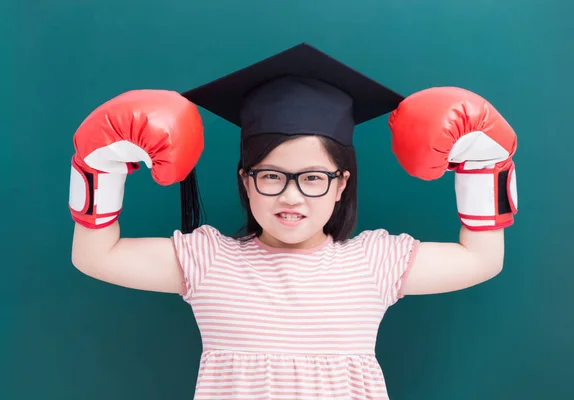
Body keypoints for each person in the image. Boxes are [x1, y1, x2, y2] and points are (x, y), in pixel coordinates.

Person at [69, 43, 518, 400]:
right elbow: (96, 256)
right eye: (271, 176)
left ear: (342, 183)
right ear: (246, 181)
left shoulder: (375, 261)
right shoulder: (207, 260)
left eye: (313, 178)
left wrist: (485, 169)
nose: (291, 195)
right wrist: (98, 171)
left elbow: (480, 260)